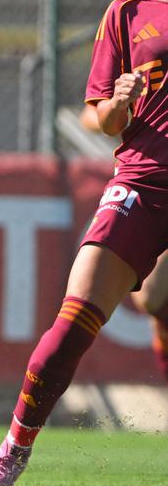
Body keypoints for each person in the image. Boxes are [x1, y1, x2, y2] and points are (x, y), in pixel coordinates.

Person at [0, 0, 168, 486]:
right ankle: (14, 448)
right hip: (141, 182)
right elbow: (99, 119)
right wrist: (121, 100)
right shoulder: (129, 12)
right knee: (77, 310)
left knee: (156, 301)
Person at [79, 102, 168, 381]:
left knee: (153, 295)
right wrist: (123, 116)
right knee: (151, 296)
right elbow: (91, 115)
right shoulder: (137, 64)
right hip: (150, 183)